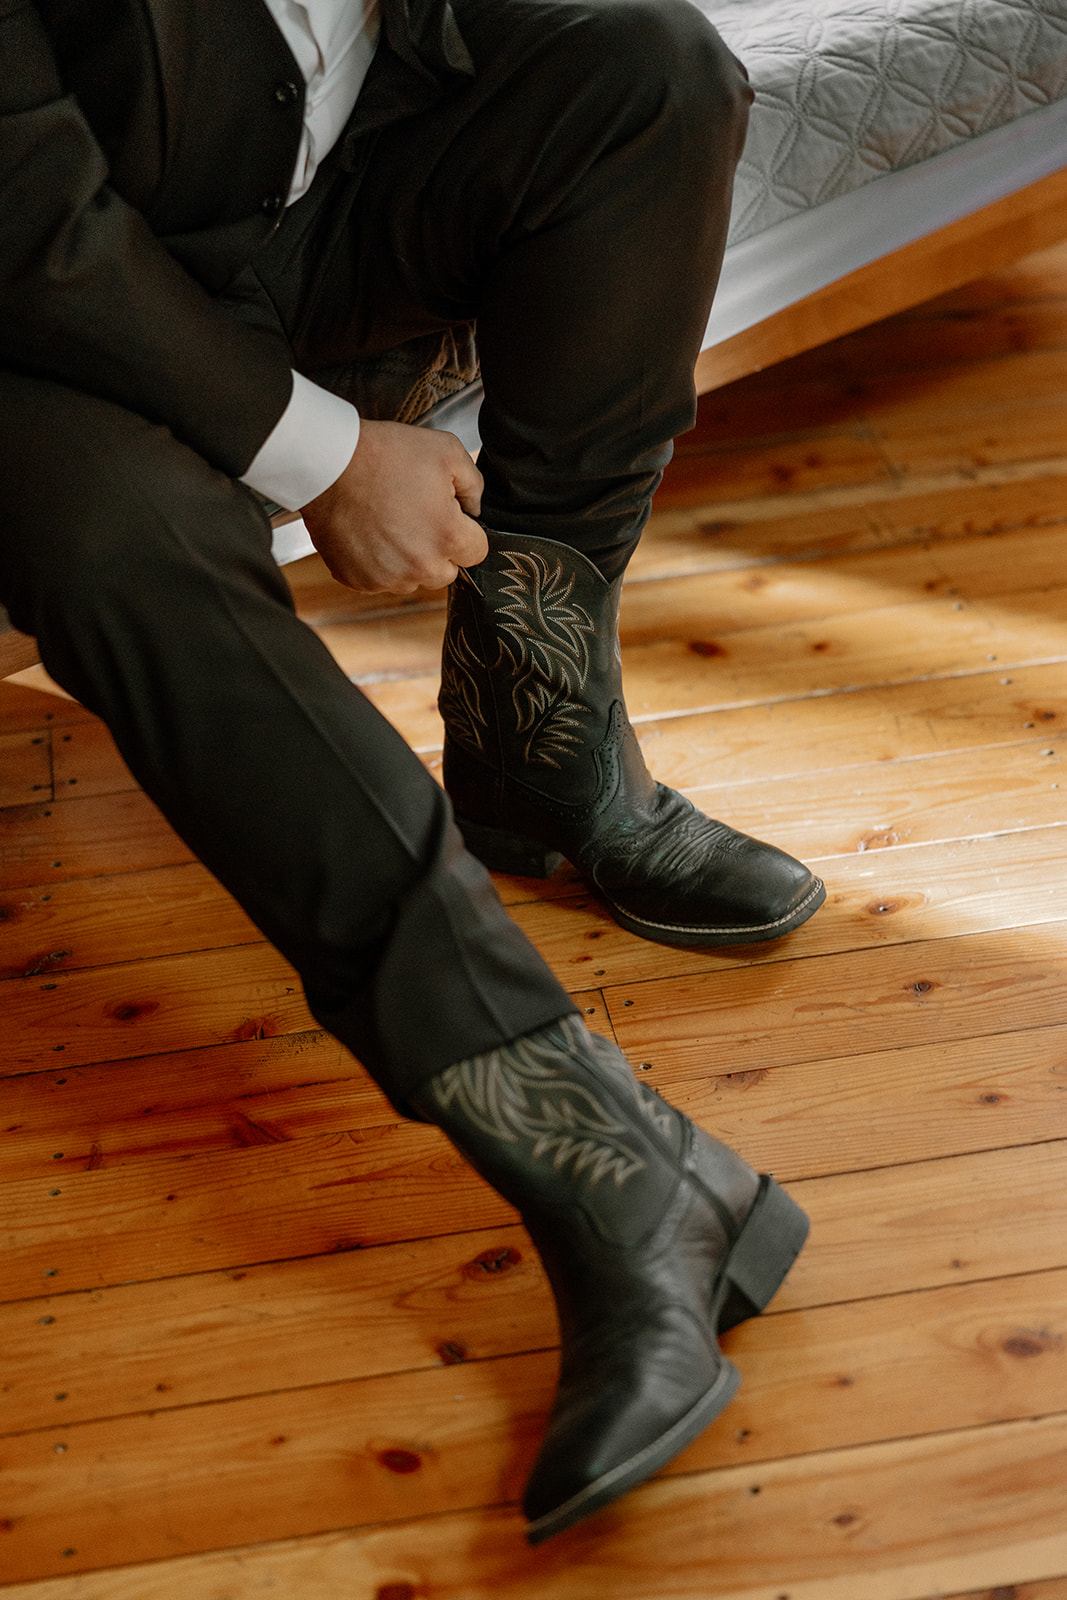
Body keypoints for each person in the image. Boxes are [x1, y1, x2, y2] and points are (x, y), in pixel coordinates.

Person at [0, 0, 820, 1541]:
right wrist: (327, 456)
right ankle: (613, 1168)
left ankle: (538, 755)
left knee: (651, 75)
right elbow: (30, 225)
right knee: (123, 546)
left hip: (294, 187)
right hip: (34, 285)